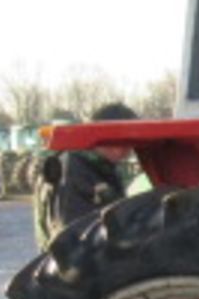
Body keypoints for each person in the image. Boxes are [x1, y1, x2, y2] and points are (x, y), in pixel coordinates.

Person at [35, 101, 138, 247]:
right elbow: (72, 234)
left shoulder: (97, 166)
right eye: (125, 142)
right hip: (76, 261)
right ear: (106, 136)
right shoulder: (73, 169)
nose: (128, 151)